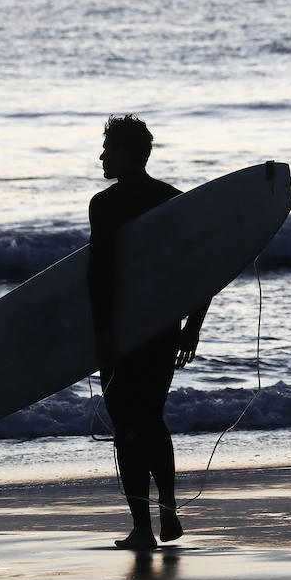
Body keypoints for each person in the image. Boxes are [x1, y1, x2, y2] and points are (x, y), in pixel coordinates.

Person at [88, 115, 210, 550]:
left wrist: (101, 334)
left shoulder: (104, 205)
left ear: (125, 153)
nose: (102, 156)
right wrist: (191, 327)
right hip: (162, 327)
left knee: (127, 426)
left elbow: (99, 274)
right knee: (152, 418)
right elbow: (201, 272)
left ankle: (141, 528)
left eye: (107, 148)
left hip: (122, 329)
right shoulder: (172, 200)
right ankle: (169, 509)